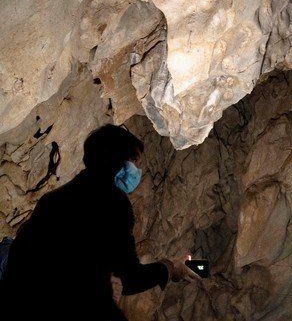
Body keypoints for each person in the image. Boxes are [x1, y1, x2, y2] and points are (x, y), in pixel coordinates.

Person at [1, 124, 199, 320]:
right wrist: (170, 267)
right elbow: (130, 278)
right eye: (134, 162)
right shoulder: (114, 204)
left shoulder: (53, 198)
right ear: (119, 161)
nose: (137, 170)